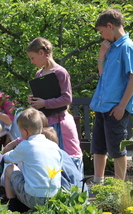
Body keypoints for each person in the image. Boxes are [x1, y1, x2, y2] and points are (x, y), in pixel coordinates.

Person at [89, 9, 133, 184]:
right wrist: (101, 55)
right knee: (98, 147)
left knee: (117, 149)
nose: (102, 35)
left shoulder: (128, 47)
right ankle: (98, 182)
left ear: (110, 26)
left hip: (115, 107)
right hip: (101, 105)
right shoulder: (110, 48)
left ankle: (119, 188)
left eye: (102, 31)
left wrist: (121, 106)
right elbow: (103, 75)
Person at [26, 37, 83, 170]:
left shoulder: (60, 72)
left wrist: (44, 103)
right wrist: (35, 100)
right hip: (46, 122)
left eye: (33, 58)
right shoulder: (39, 74)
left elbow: (67, 98)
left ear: (41, 53)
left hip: (60, 122)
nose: (32, 62)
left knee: (65, 157)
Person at [3, 108, 62, 212]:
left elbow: (7, 158)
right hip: (54, 197)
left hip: (32, 199)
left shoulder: (25, 145)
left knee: (10, 168)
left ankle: (12, 206)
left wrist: (6, 151)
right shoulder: (54, 146)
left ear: (25, 132)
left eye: (20, 131)